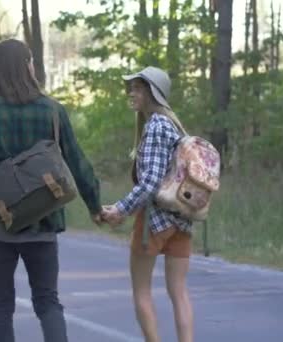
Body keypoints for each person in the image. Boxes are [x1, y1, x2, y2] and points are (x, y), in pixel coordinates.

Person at [0, 38, 103, 342]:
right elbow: (78, 163)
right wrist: (95, 206)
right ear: (27, 67)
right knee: (47, 301)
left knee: (1, 304)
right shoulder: (52, 110)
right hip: (44, 221)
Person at [102, 66, 194, 342]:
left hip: (154, 223)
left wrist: (120, 208)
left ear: (153, 92)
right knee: (179, 293)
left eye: (138, 87)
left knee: (141, 291)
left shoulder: (155, 125)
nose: (132, 92)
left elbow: (151, 182)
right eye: (132, 86)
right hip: (182, 220)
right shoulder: (175, 126)